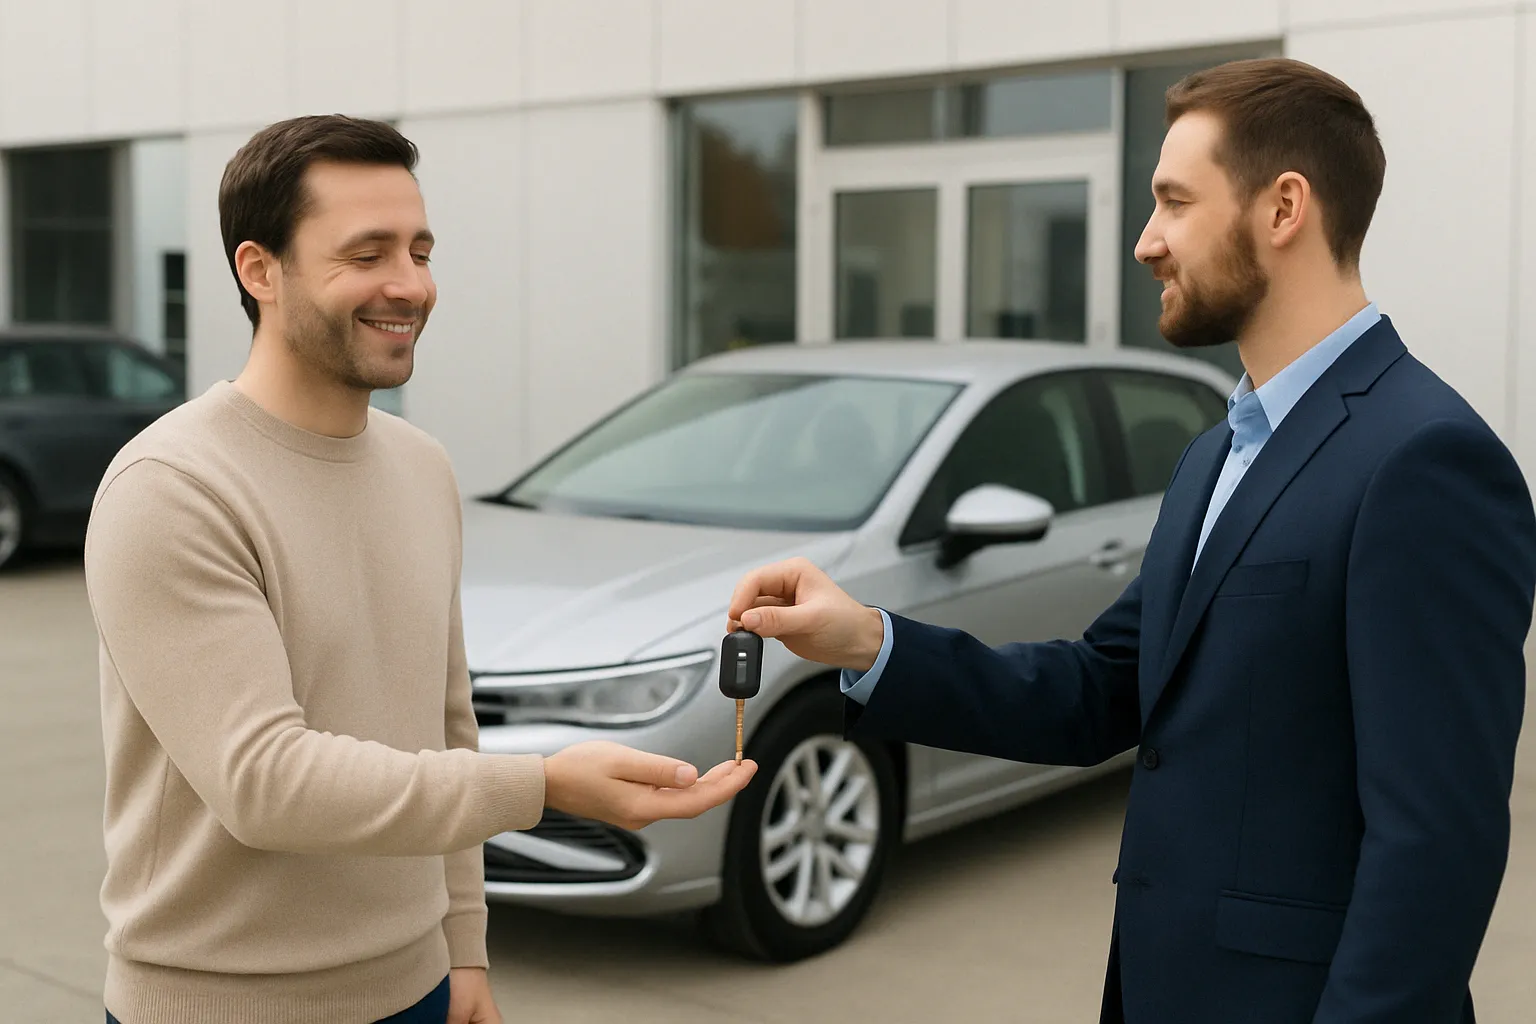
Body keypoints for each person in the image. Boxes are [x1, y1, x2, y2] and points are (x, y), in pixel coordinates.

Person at [727, 58, 1534, 1024]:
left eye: (1173, 202)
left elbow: (1435, 845)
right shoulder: (1211, 457)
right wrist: (867, 640)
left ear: (1285, 209)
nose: (1145, 242)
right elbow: (1098, 691)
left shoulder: (1428, 461)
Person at [84, 115, 756, 1024]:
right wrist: (545, 785)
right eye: (367, 254)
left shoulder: (421, 466)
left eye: (421, 249)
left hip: (417, 986)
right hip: (222, 1004)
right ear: (260, 271)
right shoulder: (171, 489)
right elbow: (263, 783)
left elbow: (445, 724)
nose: (412, 285)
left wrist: (461, 947)